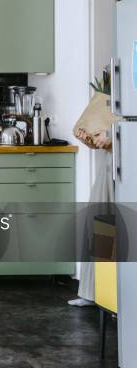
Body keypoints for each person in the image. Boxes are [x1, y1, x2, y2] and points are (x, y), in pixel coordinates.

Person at [69, 128, 113, 307]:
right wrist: (90, 139)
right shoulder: (109, 101)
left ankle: (115, 297)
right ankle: (94, 292)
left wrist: (113, 137)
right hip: (112, 164)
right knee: (99, 224)